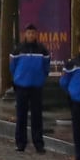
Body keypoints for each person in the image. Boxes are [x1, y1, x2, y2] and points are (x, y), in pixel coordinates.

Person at [9, 23, 51, 153]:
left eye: (33, 33)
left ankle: (38, 142)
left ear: (36, 34)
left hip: (36, 86)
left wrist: (41, 78)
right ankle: (20, 142)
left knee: (37, 116)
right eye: (29, 33)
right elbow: (12, 66)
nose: (31, 35)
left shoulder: (42, 50)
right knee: (21, 115)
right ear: (25, 34)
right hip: (22, 85)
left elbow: (46, 66)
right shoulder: (18, 49)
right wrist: (17, 78)